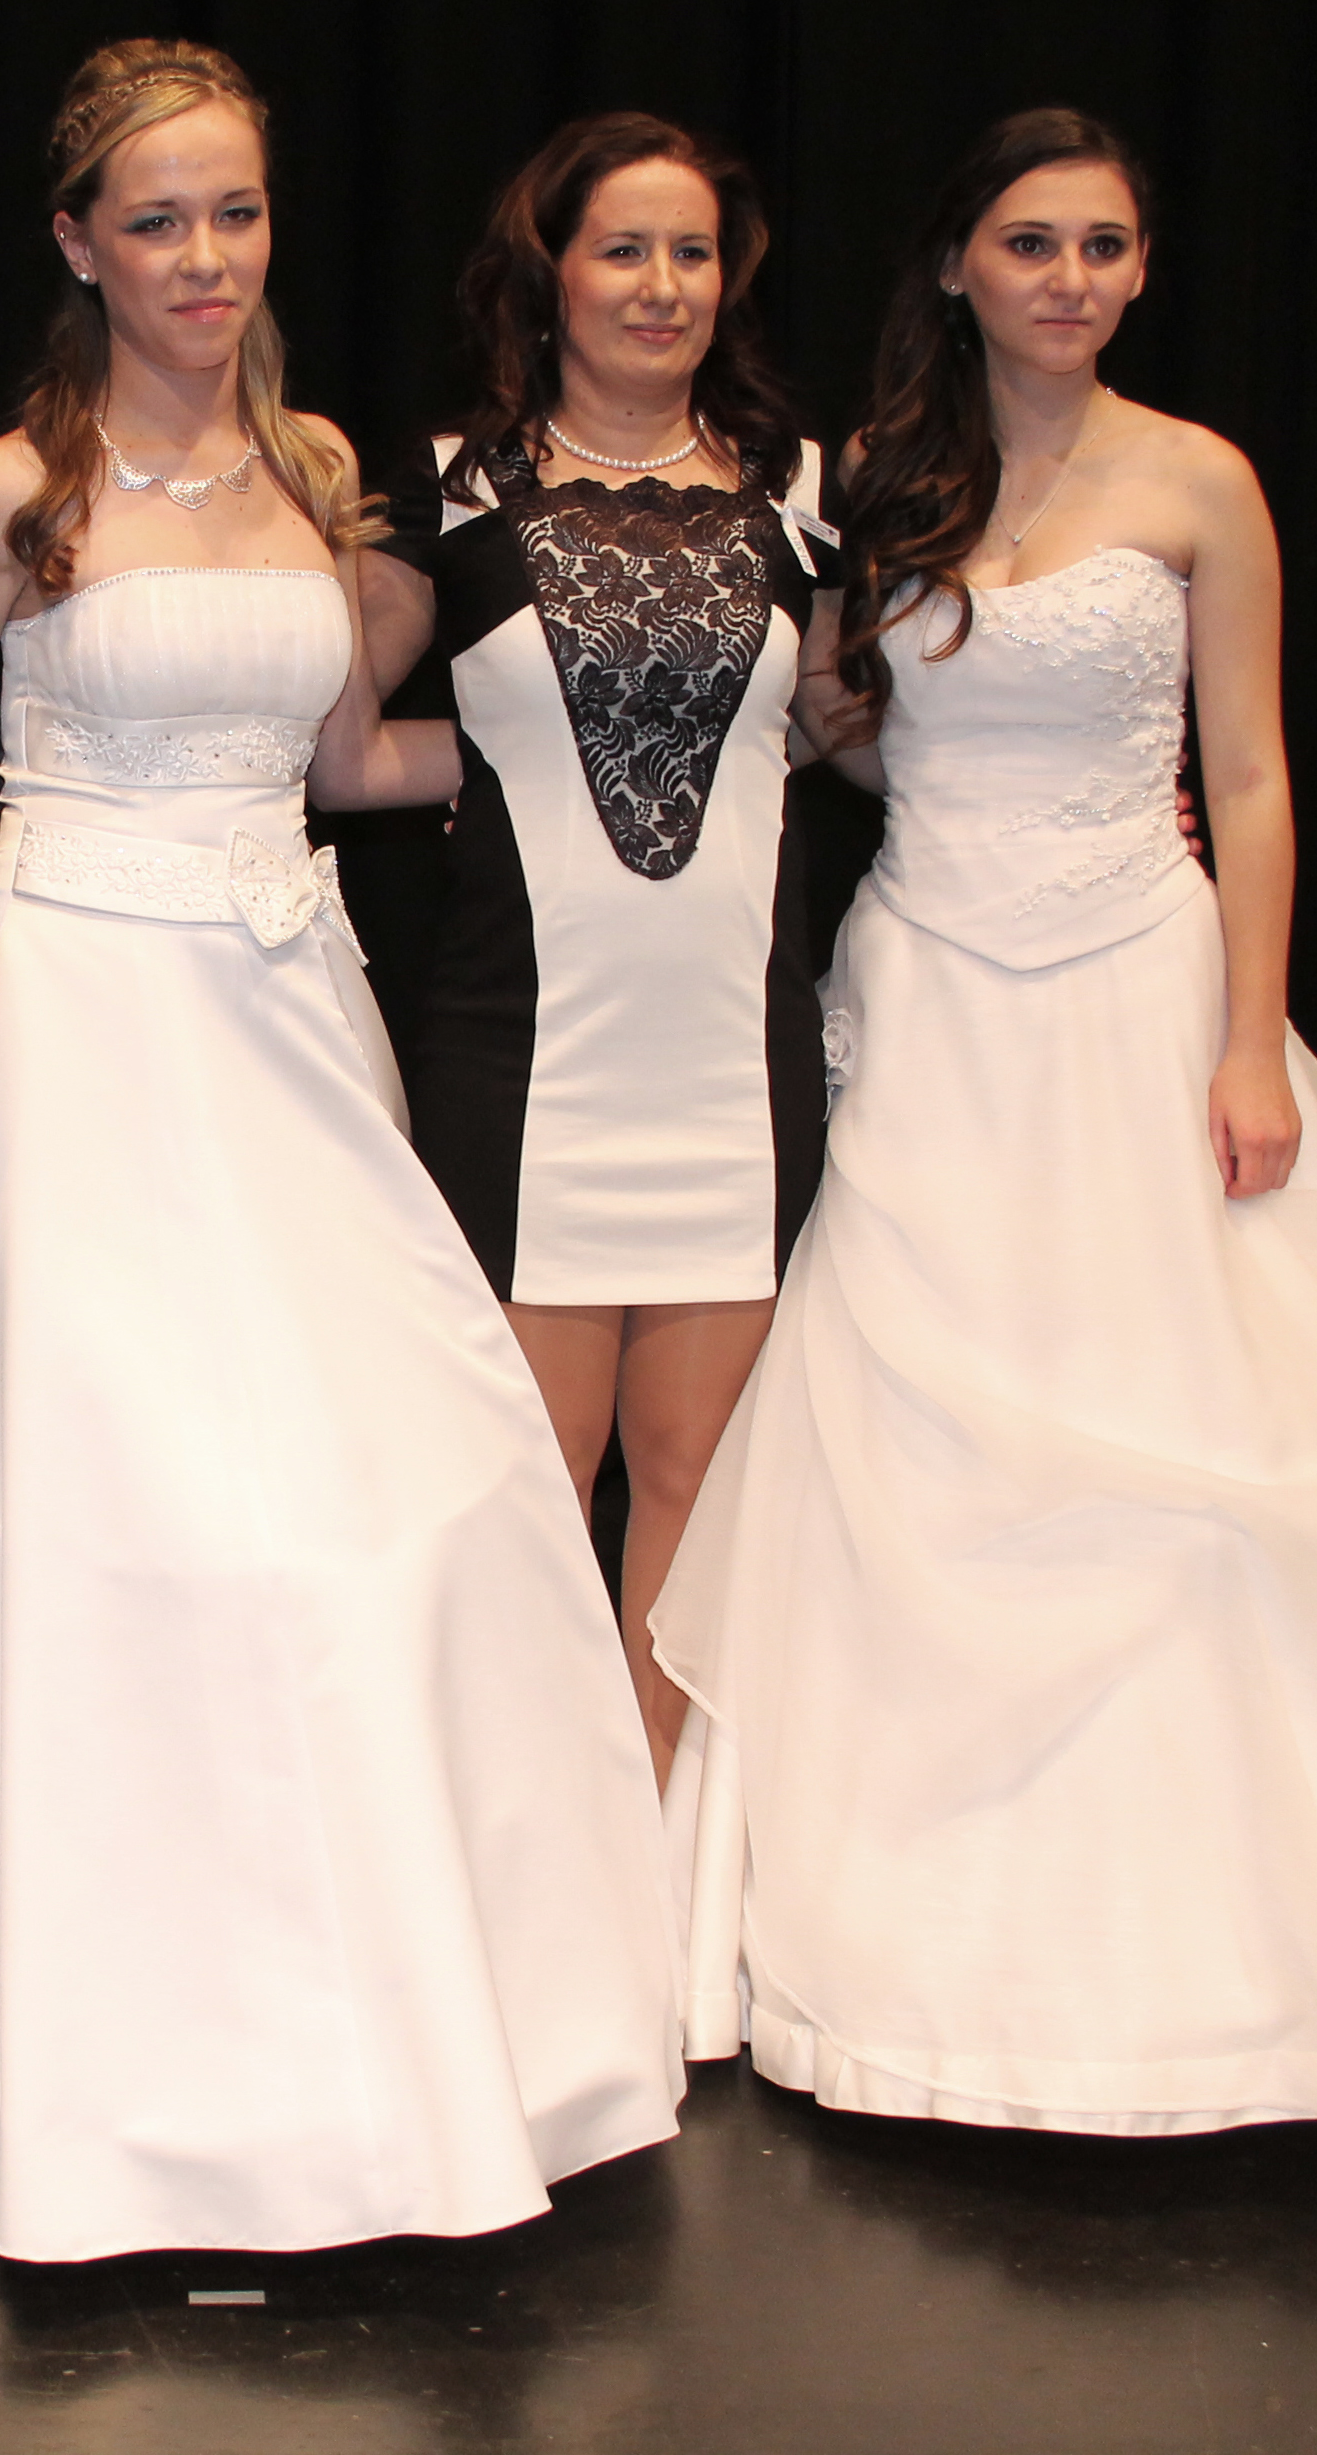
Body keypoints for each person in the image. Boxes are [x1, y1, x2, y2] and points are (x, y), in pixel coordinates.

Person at [653, 109, 1317, 2132]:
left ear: (1141, 271)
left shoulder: (1201, 478)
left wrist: (1252, 1042)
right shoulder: (879, 483)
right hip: (936, 1006)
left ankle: (1250, 1963)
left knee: (1215, 1431)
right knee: (906, 1435)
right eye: (1031, 243)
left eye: (1105, 246)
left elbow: (1260, 776)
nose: (1070, 279)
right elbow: (862, 735)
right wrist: (828, 712)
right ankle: (903, 1939)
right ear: (957, 264)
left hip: (1140, 991)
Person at [0, 38, 683, 2262]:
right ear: (79, 243)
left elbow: (344, 761)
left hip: (288, 1018)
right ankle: (82, 2062)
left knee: (368, 1495)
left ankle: (380, 2032)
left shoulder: (318, 471)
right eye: (159, 219)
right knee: (118, 1508)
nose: (205, 257)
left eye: (238, 213)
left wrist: (579, 750)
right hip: (88, 1028)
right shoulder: (15, 494)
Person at [356, 111, 839, 1787]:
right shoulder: (449, 489)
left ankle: (654, 1869)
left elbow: (849, 729)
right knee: (532, 1488)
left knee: (697, 1485)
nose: (661, 285)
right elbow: (338, 748)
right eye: (623, 249)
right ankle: (528, 1854)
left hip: (732, 1065)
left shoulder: (803, 490)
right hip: (524, 1059)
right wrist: (497, 768)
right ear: (550, 270)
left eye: (692, 253)